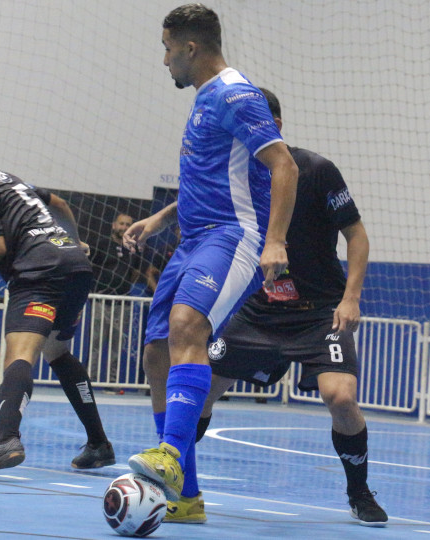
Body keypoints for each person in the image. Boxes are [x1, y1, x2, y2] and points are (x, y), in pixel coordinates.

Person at [161, 88, 388, 526]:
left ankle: (359, 492)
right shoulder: (237, 170)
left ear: (275, 128)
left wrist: (351, 298)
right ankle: (175, 478)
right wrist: (159, 218)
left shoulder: (316, 171)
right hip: (257, 311)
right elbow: (197, 195)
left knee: (339, 396)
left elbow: (356, 236)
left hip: (318, 312)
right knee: (202, 386)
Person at [124, 3, 299, 503]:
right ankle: (186, 497)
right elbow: (213, 177)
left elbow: (284, 166)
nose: (165, 61)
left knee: (187, 327)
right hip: (194, 238)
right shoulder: (205, 99)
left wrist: (275, 241)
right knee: (157, 349)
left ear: (190, 47)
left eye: (167, 49)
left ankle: (171, 456)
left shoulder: (235, 94)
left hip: (233, 236)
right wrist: (161, 218)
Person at [0, 125, 115, 479]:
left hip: (39, 271)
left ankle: (6, 439)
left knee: (19, 354)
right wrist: (75, 242)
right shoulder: (7, 179)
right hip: (75, 266)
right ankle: (99, 444)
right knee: (57, 352)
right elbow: (60, 204)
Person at [89, 212, 143, 385]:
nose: (124, 228)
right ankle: (91, 379)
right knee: (96, 341)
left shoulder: (133, 249)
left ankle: (112, 382)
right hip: (101, 301)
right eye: (121, 224)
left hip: (123, 304)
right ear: (114, 225)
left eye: (128, 225)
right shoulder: (101, 244)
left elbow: (135, 273)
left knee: (117, 345)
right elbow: (90, 266)